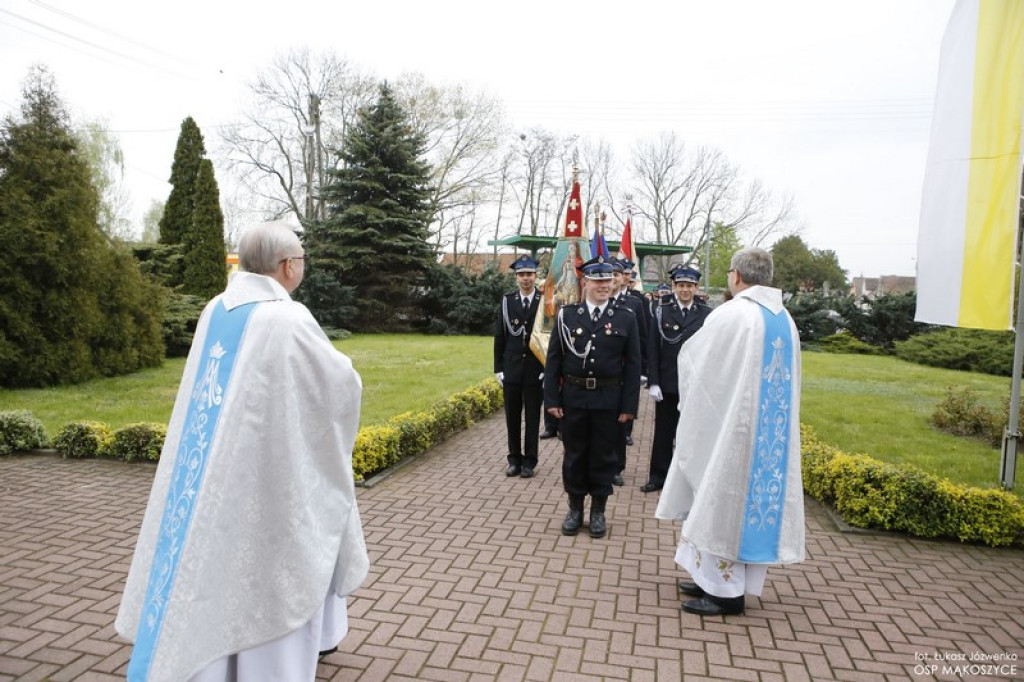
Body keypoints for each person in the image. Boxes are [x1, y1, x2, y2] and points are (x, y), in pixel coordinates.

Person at [115, 221, 369, 681]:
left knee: (215, 553)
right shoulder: (287, 318)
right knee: (269, 559)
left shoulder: (217, 307)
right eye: (302, 260)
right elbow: (338, 387)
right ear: (288, 266)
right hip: (268, 468)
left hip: (212, 462)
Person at [655, 247, 803, 616]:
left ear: (736, 275)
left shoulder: (734, 314)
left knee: (723, 501)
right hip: (767, 433)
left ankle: (725, 593)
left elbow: (695, 364)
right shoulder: (783, 317)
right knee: (727, 502)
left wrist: (693, 411)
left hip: (733, 432)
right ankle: (709, 576)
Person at [544, 256, 641, 539]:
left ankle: (598, 510)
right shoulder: (567, 316)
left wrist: (629, 406)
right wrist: (552, 400)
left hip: (609, 399)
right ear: (584, 282)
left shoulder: (626, 317)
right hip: (573, 397)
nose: (604, 285)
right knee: (574, 456)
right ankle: (575, 508)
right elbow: (554, 361)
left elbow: (634, 366)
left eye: (608, 280)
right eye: (598, 280)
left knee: (603, 456)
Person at [641, 265, 711, 493]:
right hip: (668, 383)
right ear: (674, 287)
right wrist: (653, 381)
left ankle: (687, 480)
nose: (685, 290)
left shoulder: (706, 314)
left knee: (692, 433)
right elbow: (652, 348)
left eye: (689, 286)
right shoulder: (661, 311)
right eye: (681, 285)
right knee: (663, 432)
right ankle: (658, 477)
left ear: (696, 288)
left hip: (694, 384)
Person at [494, 255, 544, 478]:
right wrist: (498, 368)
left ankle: (530, 461)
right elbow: (500, 336)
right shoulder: (507, 301)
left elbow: (550, 338)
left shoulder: (545, 301)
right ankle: (514, 459)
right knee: (512, 417)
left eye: (529, 274)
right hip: (512, 369)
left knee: (532, 418)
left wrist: (548, 368)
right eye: (521, 275)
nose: (526, 279)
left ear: (536, 276)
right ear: (516, 277)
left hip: (536, 370)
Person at [609, 258, 647, 485]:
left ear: (624, 277)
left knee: (620, 425)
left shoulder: (635, 303)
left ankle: (616, 467)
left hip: (624, 372)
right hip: (605, 372)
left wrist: (642, 370)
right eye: (609, 274)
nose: (612, 278)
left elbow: (642, 338)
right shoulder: (596, 300)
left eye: (617, 273)